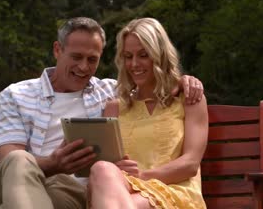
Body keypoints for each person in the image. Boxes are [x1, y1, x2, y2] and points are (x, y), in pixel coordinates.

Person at [0, 17, 204, 209]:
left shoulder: (108, 92)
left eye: (92, 60)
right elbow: (8, 159)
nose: (84, 67)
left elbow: (149, 82)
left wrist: (184, 81)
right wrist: (53, 163)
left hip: (68, 194)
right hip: (12, 184)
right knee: (19, 160)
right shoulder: (16, 95)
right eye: (77, 57)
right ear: (58, 50)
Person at [87, 18, 208, 208]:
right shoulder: (114, 108)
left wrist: (141, 177)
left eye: (143, 55)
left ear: (160, 55)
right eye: (128, 56)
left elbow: (191, 164)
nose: (134, 64)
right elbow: (107, 170)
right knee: (101, 168)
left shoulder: (189, 99)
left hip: (174, 193)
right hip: (123, 192)